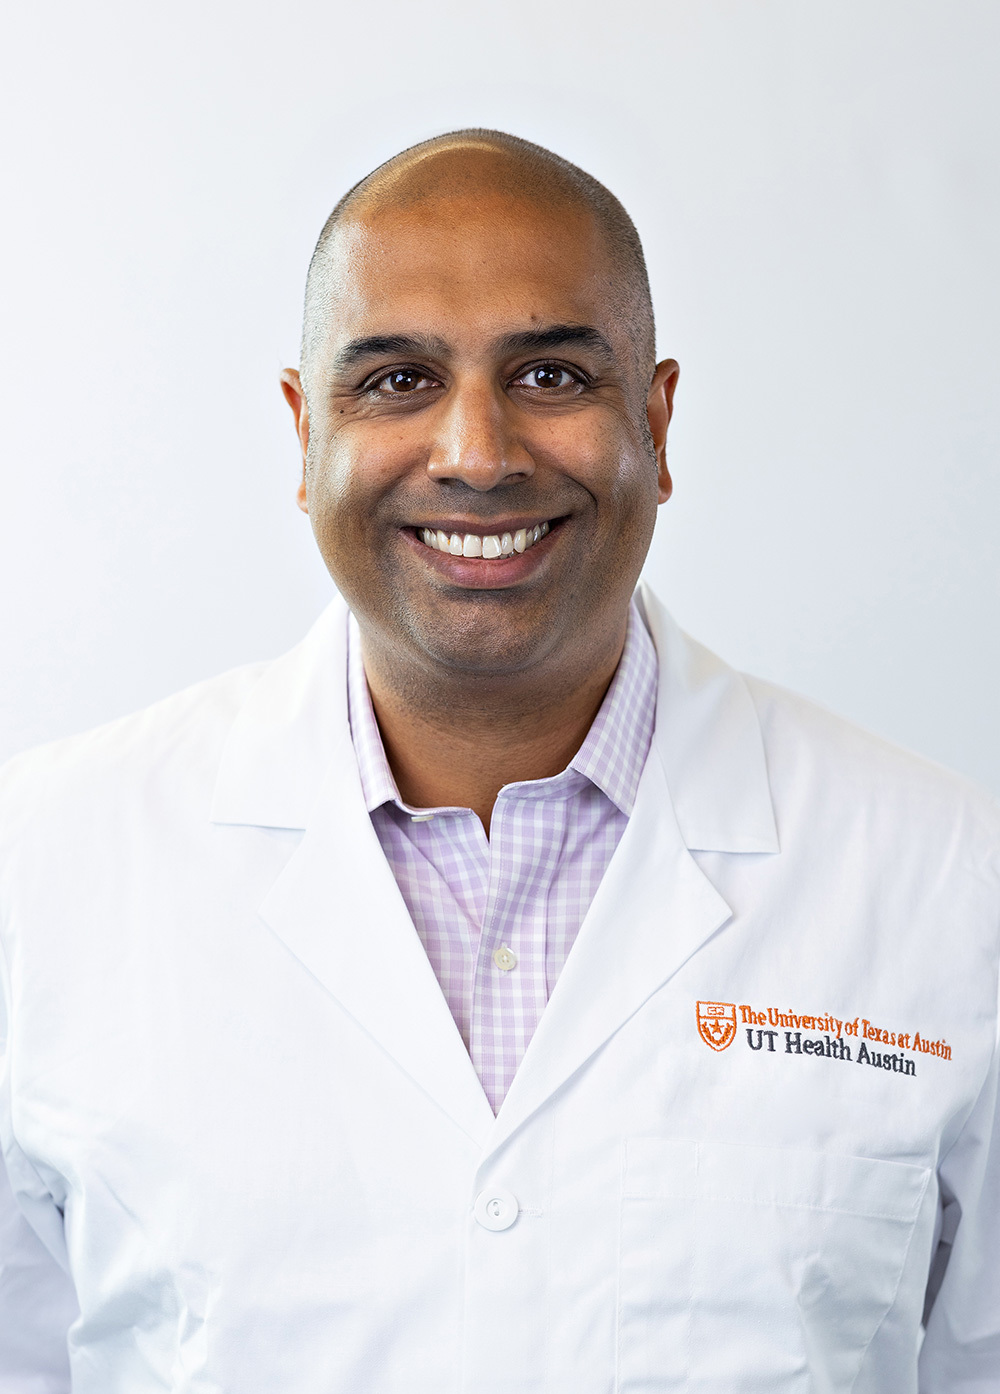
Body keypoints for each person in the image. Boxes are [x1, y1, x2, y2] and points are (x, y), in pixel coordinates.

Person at [1, 129, 998, 1393]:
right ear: (304, 435)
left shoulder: (947, 881)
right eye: (398, 380)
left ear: (655, 420)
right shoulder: (45, 869)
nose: (476, 452)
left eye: (549, 374)